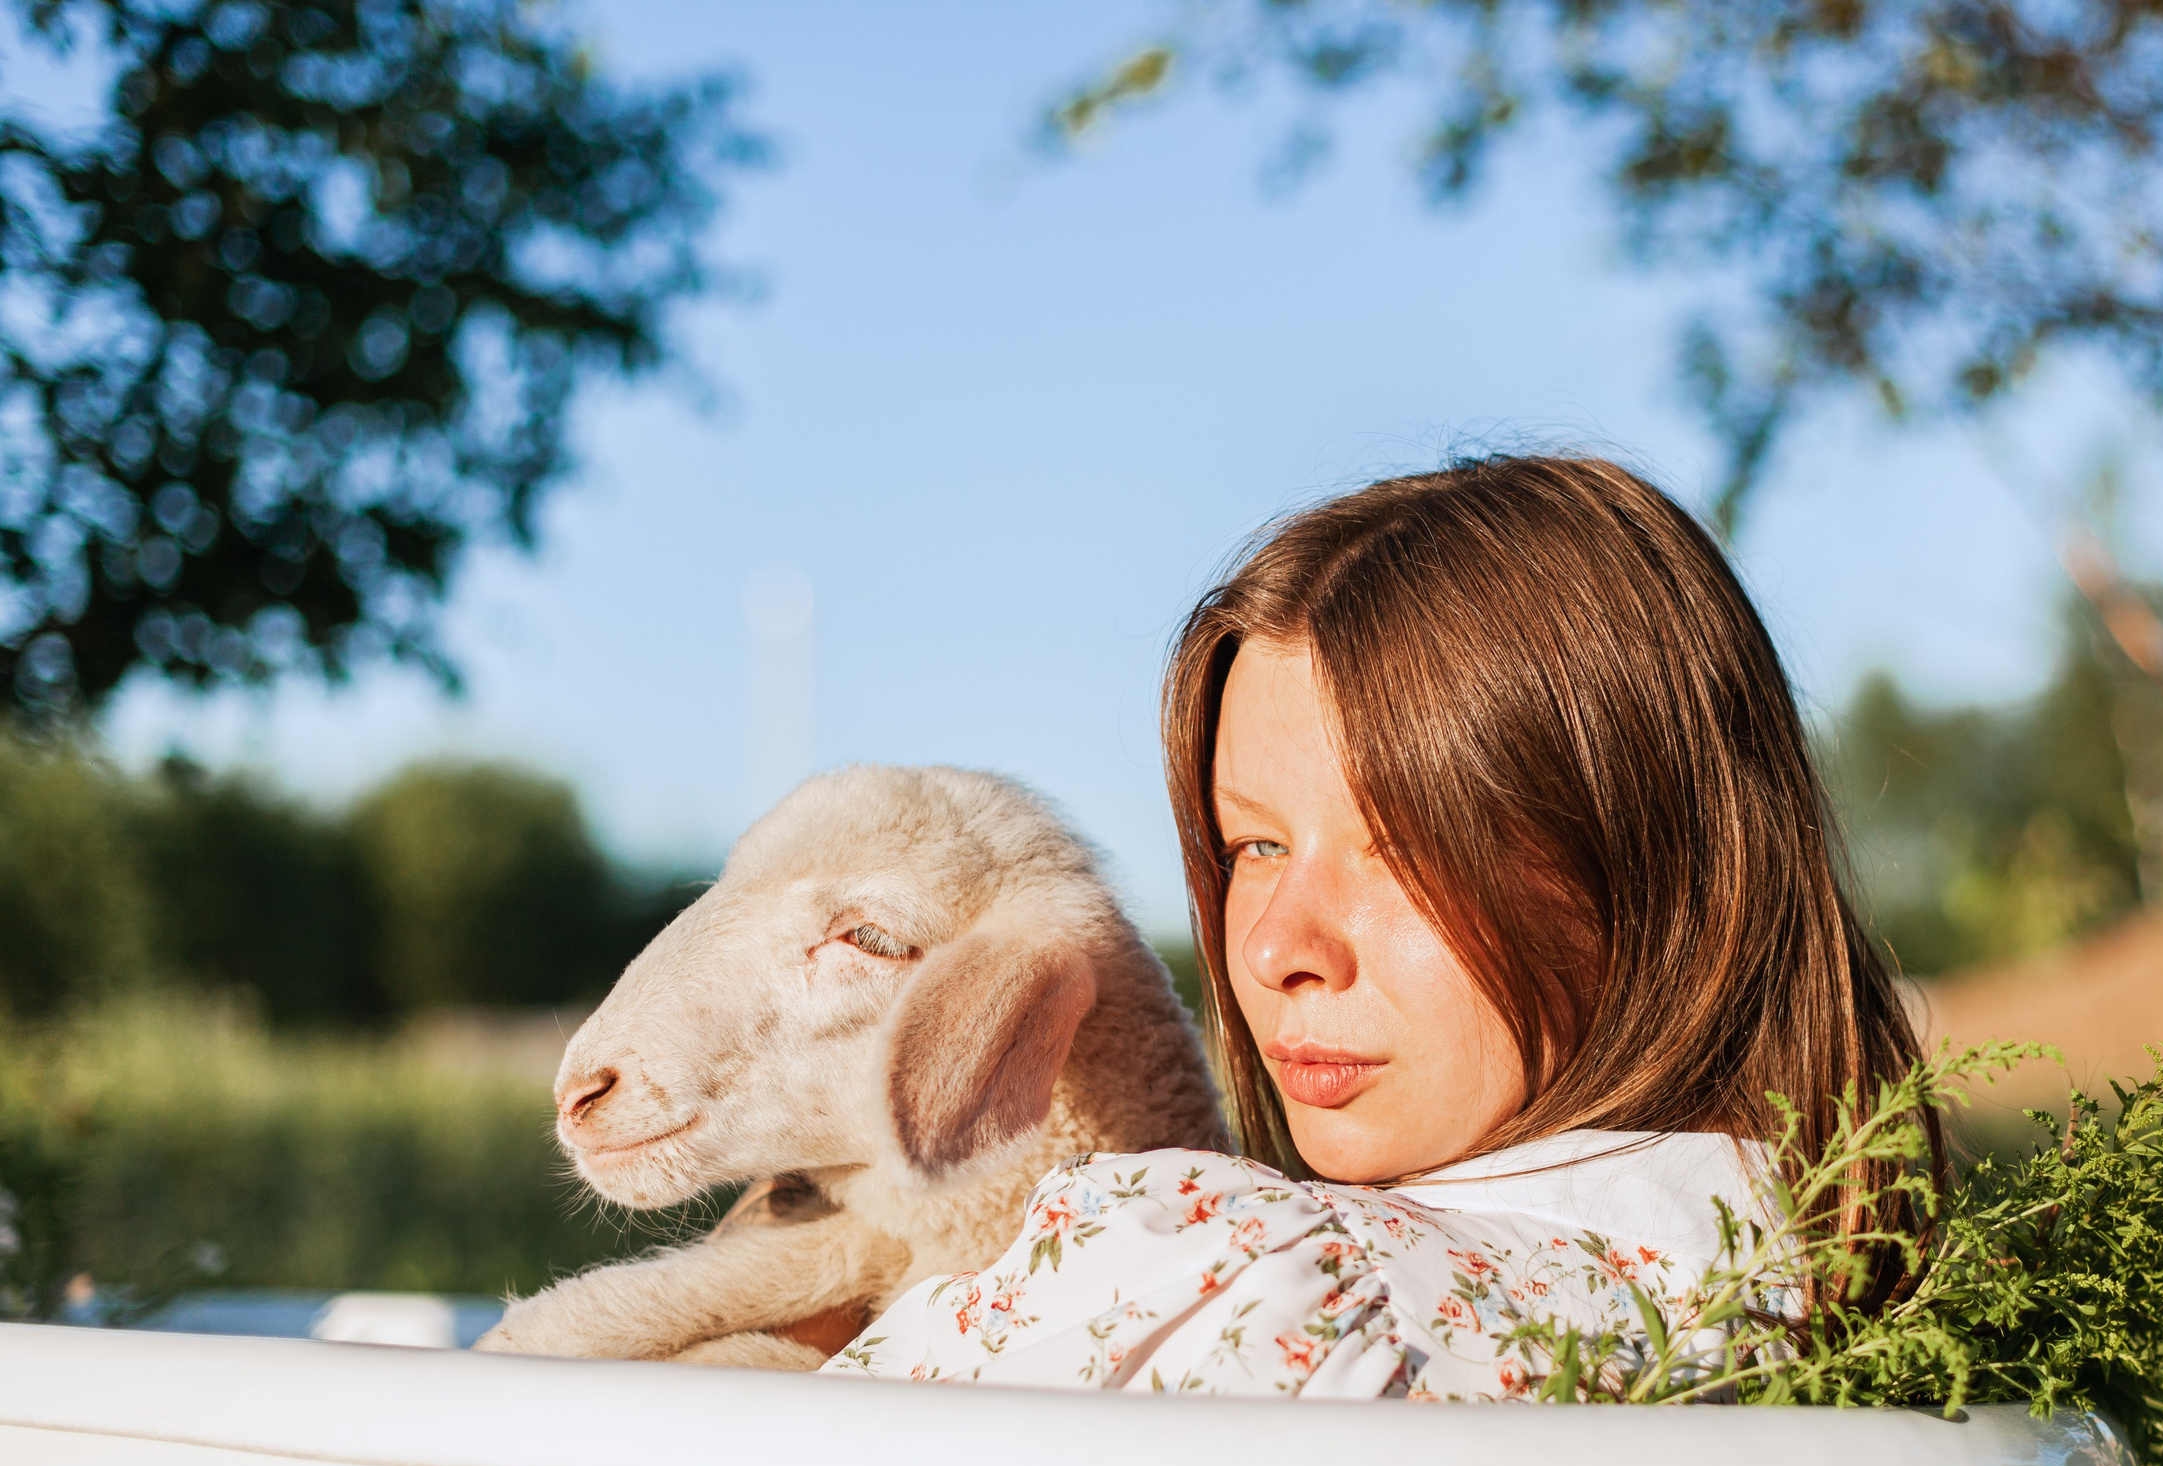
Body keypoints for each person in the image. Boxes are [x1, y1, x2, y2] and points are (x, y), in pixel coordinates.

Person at [821, 453, 1934, 1398]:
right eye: (1253, 846)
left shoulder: (1232, 1275)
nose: (1271, 950)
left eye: (1404, 850)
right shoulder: (1807, 1302)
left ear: (1649, 862)